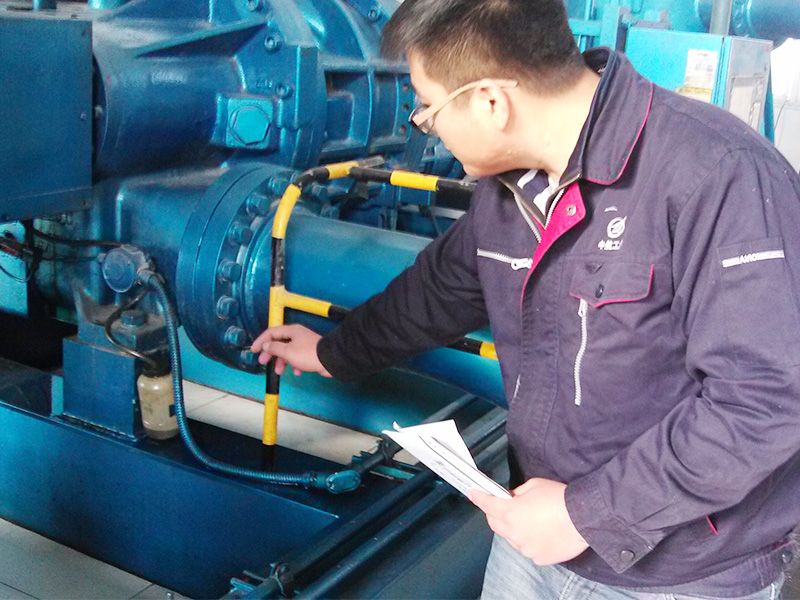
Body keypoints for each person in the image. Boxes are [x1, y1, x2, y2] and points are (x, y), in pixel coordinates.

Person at [251, 0, 800, 597]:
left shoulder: (719, 174)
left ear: (492, 101)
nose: (423, 125)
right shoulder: (510, 190)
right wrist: (332, 353)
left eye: (427, 108)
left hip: (681, 571)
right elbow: (436, 291)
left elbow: (767, 398)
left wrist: (586, 515)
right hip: (533, 529)